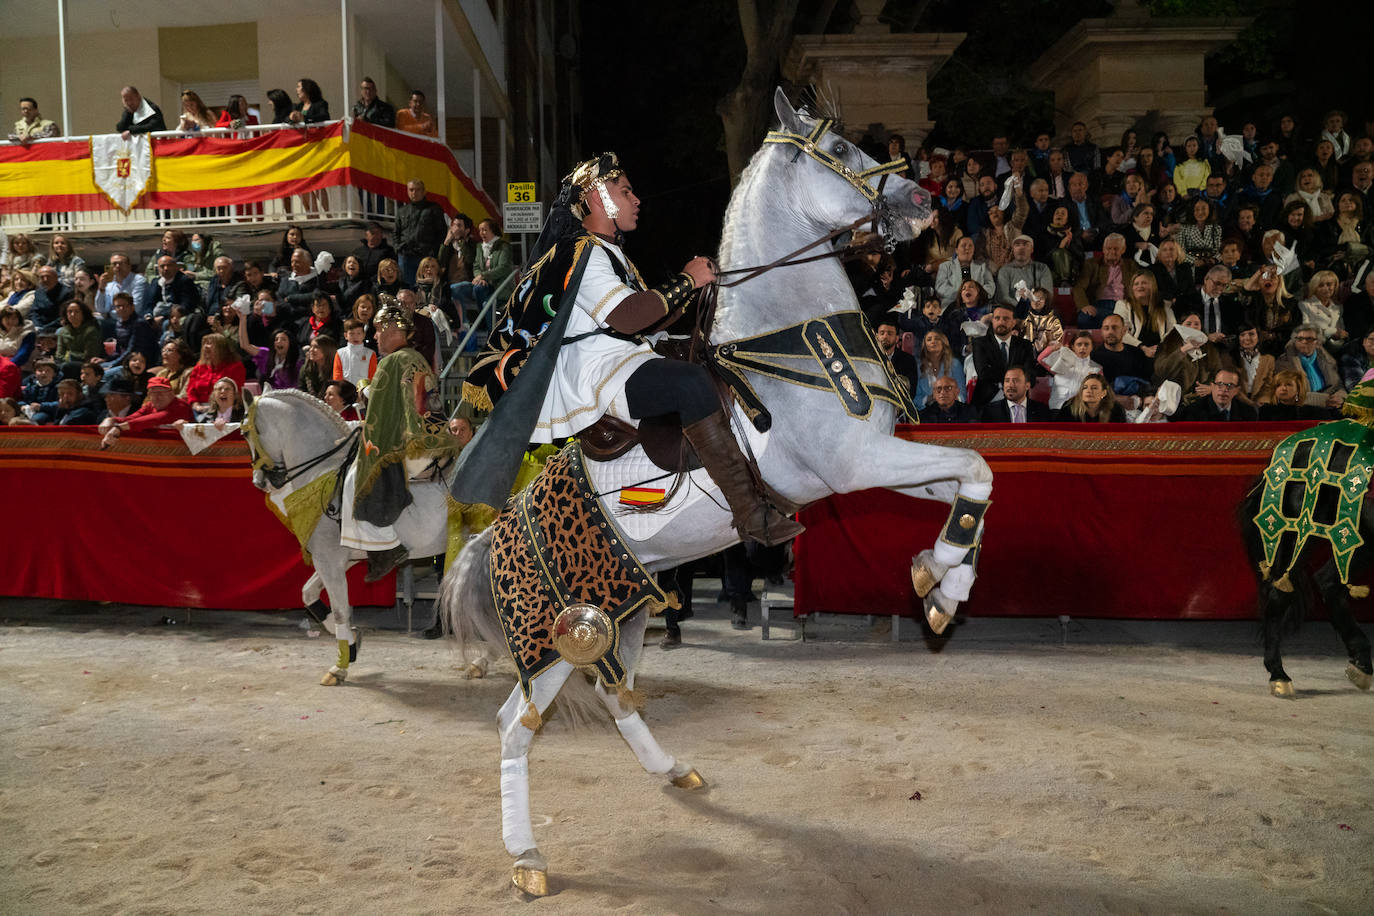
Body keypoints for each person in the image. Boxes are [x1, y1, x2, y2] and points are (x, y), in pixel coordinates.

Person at [454, 151, 801, 547]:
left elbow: (647, 319)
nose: (636, 200)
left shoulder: (609, 252)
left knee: (717, 359)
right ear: (599, 196)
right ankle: (750, 512)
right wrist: (686, 281)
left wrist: (692, 293)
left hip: (624, 359)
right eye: (626, 191)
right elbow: (627, 316)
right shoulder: (578, 252)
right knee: (690, 384)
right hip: (600, 371)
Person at [352, 304, 462, 580]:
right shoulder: (416, 357)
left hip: (417, 445)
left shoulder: (392, 361)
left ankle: (386, 545)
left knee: (362, 471)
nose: (375, 337)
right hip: (438, 440)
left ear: (393, 330)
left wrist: (363, 386)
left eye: (378, 330)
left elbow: (377, 407)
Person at [970, 304, 1037, 408]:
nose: (1001, 322)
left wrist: (996, 372)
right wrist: (1016, 377)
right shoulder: (980, 344)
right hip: (987, 399)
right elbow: (984, 374)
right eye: (997, 318)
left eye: (1006, 319)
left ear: (1014, 322)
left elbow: (1030, 376)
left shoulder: (1025, 345)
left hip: (1017, 398)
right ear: (992, 320)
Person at [100, 375, 192, 446]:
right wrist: (110, 420)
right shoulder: (150, 406)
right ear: (149, 395)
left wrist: (118, 428)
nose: (157, 397)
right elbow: (131, 418)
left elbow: (154, 418)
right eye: (153, 393)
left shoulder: (180, 405)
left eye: (161, 393)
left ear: (171, 394)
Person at [1074, 233, 1138, 330]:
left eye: (1116, 249)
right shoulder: (1092, 264)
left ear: (1123, 250)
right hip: (1099, 305)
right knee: (1084, 318)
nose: (1112, 252)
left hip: (1124, 305)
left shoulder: (1131, 265)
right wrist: (1084, 306)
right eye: (1108, 248)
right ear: (1103, 249)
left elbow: (1137, 286)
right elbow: (1079, 287)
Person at [1275, 324, 1346, 412]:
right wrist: (1324, 400)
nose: (1304, 342)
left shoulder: (1328, 360)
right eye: (1300, 339)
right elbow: (1288, 394)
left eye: (1309, 339)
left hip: (1331, 406)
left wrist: (1340, 397)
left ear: (1318, 342)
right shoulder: (1283, 362)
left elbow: (1338, 385)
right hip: (1300, 409)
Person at [451, 219, 514, 317]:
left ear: (493, 230)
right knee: (455, 289)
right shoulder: (480, 247)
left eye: (484, 230)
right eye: (480, 230)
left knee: (484, 299)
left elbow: (503, 268)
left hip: (499, 286)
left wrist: (483, 276)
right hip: (482, 284)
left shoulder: (503, 246)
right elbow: (476, 266)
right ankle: (464, 323)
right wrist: (479, 277)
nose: (481, 233)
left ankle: (485, 325)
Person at [395, 179, 448, 285]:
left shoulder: (434, 209)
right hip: (406, 256)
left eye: (418, 190)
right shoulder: (402, 211)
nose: (414, 193)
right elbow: (396, 232)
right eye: (411, 190)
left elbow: (441, 232)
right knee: (407, 286)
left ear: (424, 192)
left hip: (425, 255)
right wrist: (398, 247)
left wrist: (433, 251)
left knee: (425, 286)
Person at [184, 333, 246, 414]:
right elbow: (191, 390)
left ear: (221, 348)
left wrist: (213, 408)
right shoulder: (199, 367)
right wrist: (196, 405)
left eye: (210, 343)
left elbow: (234, 393)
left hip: (224, 408)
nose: (205, 347)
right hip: (198, 408)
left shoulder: (235, 367)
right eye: (204, 344)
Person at [1040, 331, 1101, 411]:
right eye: (1079, 344)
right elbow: (1041, 360)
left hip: (1081, 410)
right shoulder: (1061, 361)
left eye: (1086, 344)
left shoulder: (1097, 369)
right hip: (1058, 408)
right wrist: (1053, 348)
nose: (1083, 347)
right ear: (1073, 346)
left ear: (1092, 347)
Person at [1170, 367, 1256, 421]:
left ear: (1237, 390)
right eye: (1220, 384)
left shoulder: (1248, 413)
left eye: (1230, 386)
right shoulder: (1193, 412)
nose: (1224, 390)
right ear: (1212, 387)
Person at [994, 235, 1053, 313]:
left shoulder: (1042, 268)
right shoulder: (1004, 270)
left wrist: (1033, 306)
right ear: (1013, 250)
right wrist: (1022, 307)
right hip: (1013, 312)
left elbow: (1047, 294)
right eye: (1017, 245)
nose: (1021, 247)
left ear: (1032, 249)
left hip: (1037, 310)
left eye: (1025, 244)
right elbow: (1003, 297)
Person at [873, 313, 919, 400]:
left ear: (897, 338)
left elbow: (910, 393)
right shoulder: (868, 358)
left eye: (890, 333)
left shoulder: (908, 360)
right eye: (882, 333)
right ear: (876, 336)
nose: (885, 336)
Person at [979, 366, 1049, 422]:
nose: (1010, 385)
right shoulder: (990, 411)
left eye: (1015, 381)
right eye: (1007, 381)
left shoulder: (1042, 411)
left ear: (1027, 386)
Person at [95, 253, 148, 322]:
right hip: (113, 320)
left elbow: (136, 308)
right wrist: (101, 289)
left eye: (121, 263)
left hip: (133, 320)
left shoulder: (138, 280)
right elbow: (101, 309)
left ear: (129, 266)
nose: (117, 266)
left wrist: (110, 314)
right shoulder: (109, 285)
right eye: (114, 264)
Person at [1233, 324, 1275, 409]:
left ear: (1258, 337)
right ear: (1238, 338)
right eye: (1242, 335)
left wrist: (1262, 401)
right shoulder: (1229, 358)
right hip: (1236, 401)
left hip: (1260, 402)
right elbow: (1232, 386)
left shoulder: (1269, 359)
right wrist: (1251, 404)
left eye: (1251, 334)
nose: (1247, 338)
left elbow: (1268, 384)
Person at [1058, 373, 1125, 422]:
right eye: (1085, 388)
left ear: (1104, 393)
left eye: (1094, 388)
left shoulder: (1115, 409)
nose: (1088, 391)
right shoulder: (1068, 407)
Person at [55, 300, 102, 368]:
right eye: (70, 312)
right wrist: (67, 358)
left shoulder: (91, 331)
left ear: (83, 314)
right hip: (65, 363)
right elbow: (59, 354)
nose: (73, 315)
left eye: (76, 312)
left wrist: (70, 355)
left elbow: (89, 355)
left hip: (86, 365)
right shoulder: (62, 332)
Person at [333, 318, 378, 387]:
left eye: (359, 333)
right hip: (345, 391)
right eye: (351, 334)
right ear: (345, 335)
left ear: (364, 335)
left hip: (364, 391)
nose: (355, 337)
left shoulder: (370, 353)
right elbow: (337, 375)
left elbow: (372, 375)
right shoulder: (340, 353)